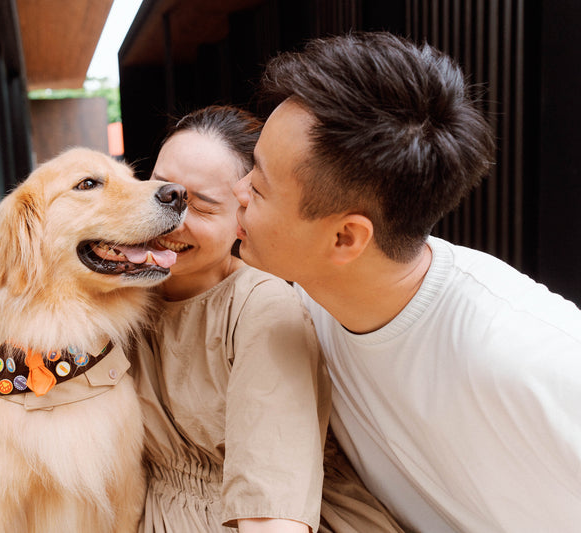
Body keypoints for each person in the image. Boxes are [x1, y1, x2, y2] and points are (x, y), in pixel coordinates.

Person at [0, 105, 403, 532]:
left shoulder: (262, 308)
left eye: (202, 206)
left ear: (243, 216)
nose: (171, 216)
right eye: (165, 190)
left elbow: (271, 513)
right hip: (152, 512)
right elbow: (36, 397)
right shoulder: (121, 293)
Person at [232, 32, 581, 533]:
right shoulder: (308, 302)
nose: (237, 191)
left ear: (346, 238)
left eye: (259, 187)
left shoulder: (527, 354)